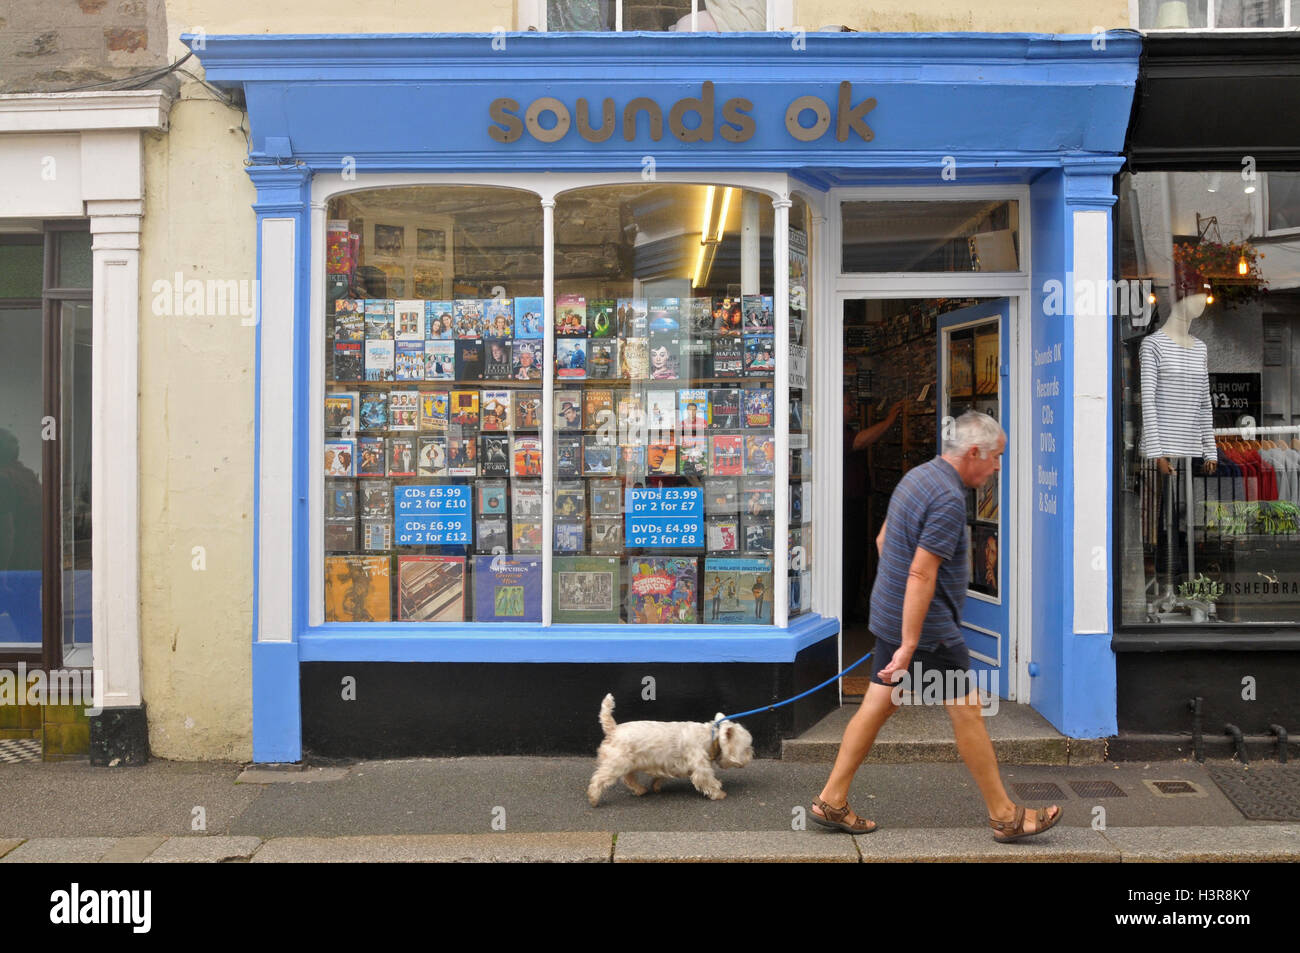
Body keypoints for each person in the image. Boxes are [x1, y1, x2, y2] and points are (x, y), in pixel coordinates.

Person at [810, 410, 1062, 843]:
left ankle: (831, 799)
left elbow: (884, 540)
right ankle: (1005, 815)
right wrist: (910, 644)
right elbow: (922, 575)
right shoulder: (946, 499)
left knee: (879, 704)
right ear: (974, 451)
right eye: (997, 456)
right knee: (967, 713)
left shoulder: (918, 477)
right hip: (929, 629)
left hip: (892, 615)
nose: (999, 466)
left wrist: (895, 622)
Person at [842, 396, 905, 626]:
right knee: (847, 557)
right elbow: (859, 442)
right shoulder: (836, 430)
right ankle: (844, 612)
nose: (852, 407)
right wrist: (889, 420)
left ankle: (849, 609)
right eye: (848, 404)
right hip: (844, 506)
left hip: (856, 503)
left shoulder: (847, 428)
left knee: (856, 557)